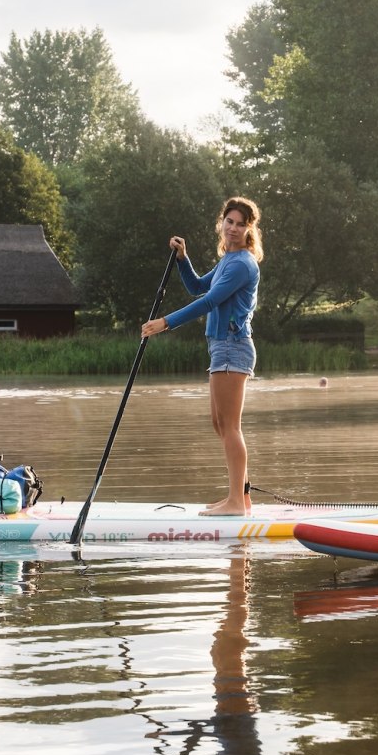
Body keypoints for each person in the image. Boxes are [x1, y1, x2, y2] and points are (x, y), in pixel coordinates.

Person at [141, 197, 264, 517]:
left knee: (230, 426)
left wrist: (165, 322)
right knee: (220, 424)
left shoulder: (241, 263)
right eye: (230, 222)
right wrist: (183, 259)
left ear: (249, 229)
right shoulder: (229, 260)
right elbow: (197, 286)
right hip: (221, 347)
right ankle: (240, 497)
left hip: (232, 345)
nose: (233, 228)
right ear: (221, 223)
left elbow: (208, 302)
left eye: (241, 224)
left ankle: (237, 501)